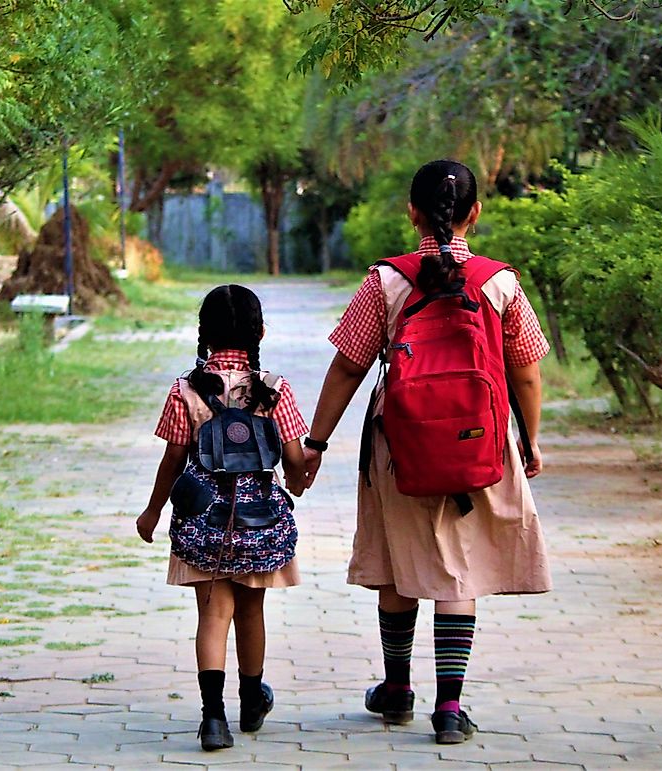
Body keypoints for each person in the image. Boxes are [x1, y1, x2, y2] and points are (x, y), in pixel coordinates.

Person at [301, 160, 552, 745]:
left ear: (411, 212)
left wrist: (315, 443)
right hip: (479, 445)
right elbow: (528, 373)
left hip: (400, 443)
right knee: (457, 572)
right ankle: (450, 705)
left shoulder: (386, 281)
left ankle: (396, 691)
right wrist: (530, 439)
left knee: (398, 561)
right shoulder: (500, 283)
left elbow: (346, 367)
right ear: (475, 213)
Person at [136, 284, 308, 752]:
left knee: (213, 615)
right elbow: (293, 457)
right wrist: (299, 476)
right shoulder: (274, 390)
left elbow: (173, 460)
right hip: (258, 525)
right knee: (251, 612)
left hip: (201, 522)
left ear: (203, 334)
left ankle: (213, 720)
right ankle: (251, 702)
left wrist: (153, 510)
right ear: (260, 332)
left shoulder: (185, 391)